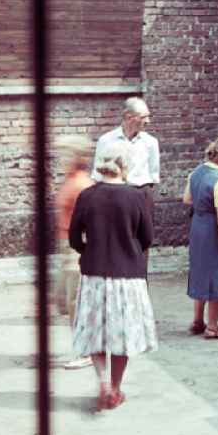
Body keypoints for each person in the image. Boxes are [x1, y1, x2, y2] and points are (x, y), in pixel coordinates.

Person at [70, 140, 158, 410]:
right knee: (123, 335)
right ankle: (117, 388)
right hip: (128, 276)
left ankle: (103, 382)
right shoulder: (136, 197)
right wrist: (130, 251)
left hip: (95, 273)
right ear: (125, 165)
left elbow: (74, 237)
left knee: (96, 332)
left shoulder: (87, 195)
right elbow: (147, 238)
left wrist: (88, 250)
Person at [183, 136, 218, 339]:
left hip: (197, 226)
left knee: (200, 271)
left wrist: (202, 201)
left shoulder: (195, 172)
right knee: (217, 274)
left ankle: (198, 320)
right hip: (213, 229)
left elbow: (187, 199)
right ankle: (213, 326)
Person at [53, 134, 94, 370]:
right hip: (65, 246)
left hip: (77, 247)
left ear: (76, 157)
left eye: (65, 153)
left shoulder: (82, 185)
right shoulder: (70, 179)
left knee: (76, 302)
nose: (60, 158)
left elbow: (91, 221)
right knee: (66, 301)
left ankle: (86, 351)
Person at [92, 97, 159, 230]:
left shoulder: (151, 142)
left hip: (141, 194)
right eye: (144, 117)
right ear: (129, 117)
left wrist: (144, 195)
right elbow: (98, 174)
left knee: (143, 236)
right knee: (117, 234)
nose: (148, 121)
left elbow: (153, 173)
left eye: (148, 117)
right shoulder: (106, 140)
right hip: (114, 196)